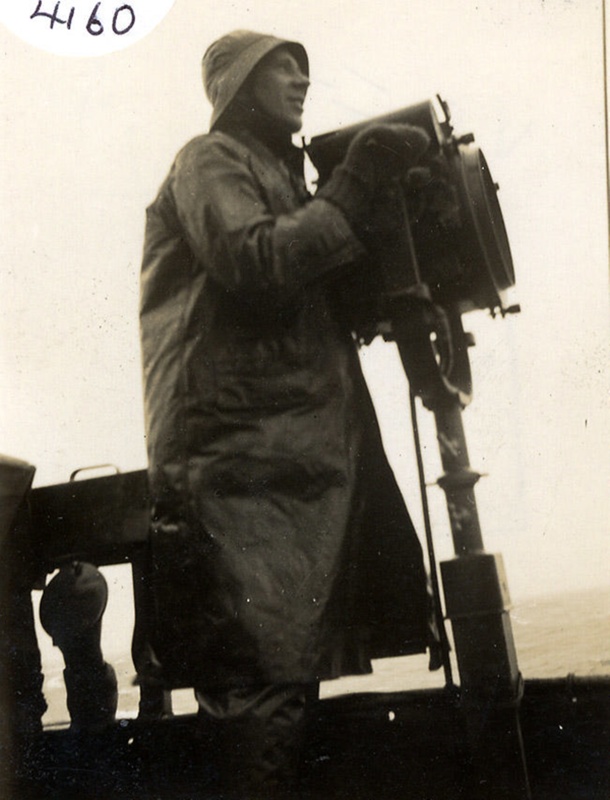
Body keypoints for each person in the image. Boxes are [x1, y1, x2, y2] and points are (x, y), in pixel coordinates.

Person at [139, 29, 434, 799]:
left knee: (283, 671)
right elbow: (259, 264)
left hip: (293, 458)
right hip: (241, 461)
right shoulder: (208, 162)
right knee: (262, 674)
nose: (303, 78)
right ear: (237, 86)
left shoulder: (282, 176)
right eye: (282, 67)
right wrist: (356, 182)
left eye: (305, 67)